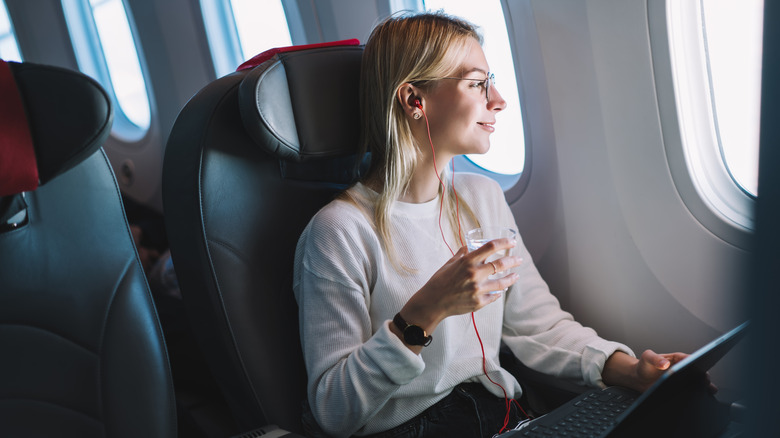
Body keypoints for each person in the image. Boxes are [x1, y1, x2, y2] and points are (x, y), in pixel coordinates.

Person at [292, 11, 685, 438]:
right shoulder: (338, 233)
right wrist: (424, 312)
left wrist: (630, 370)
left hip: (504, 414)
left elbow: (537, 326)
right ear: (413, 100)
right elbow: (334, 408)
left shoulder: (482, 198)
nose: (497, 99)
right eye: (477, 83)